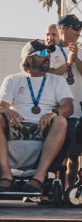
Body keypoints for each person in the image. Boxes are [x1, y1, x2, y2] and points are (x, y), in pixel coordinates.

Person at [0, 40, 73, 193]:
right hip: (16, 125)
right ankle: (6, 176)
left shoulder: (57, 80)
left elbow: (68, 107)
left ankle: (38, 178)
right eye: (42, 53)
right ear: (28, 59)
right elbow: (2, 106)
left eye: (48, 53)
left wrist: (54, 113)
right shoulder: (13, 80)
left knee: (60, 120)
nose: (47, 56)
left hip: (45, 127)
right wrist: (6, 111)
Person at [48, 14, 82, 188]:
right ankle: (48, 188)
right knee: (53, 152)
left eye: (80, 28)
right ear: (63, 29)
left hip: (77, 111)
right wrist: (67, 65)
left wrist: (76, 59)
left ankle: (70, 189)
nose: (78, 32)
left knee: (74, 153)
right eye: (75, 28)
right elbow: (48, 76)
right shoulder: (51, 51)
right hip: (57, 110)